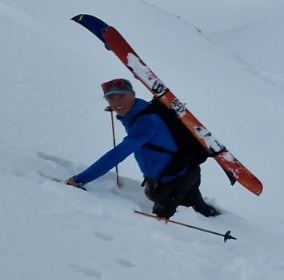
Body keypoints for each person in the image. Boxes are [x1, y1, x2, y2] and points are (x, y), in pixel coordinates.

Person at [67, 78, 221, 219]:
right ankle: (220, 219)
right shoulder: (138, 110)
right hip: (183, 171)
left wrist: (79, 180)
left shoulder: (146, 122)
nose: (116, 102)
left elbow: (116, 155)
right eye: (110, 98)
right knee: (197, 207)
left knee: (161, 226)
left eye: (121, 95)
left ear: (132, 94)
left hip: (175, 179)